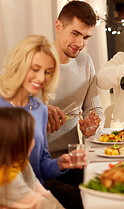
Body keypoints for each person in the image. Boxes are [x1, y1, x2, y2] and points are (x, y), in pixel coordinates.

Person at [0, 35, 84, 208]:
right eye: (35, 69)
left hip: (38, 189)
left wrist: (61, 163)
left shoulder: (40, 109)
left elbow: (41, 165)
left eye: (48, 72)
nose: (41, 78)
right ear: (19, 65)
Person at [47, 0, 105, 158]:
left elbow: (94, 108)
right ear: (58, 26)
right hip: (37, 160)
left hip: (73, 156)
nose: (80, 43)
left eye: (86, 37)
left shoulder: (85, 62)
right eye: (75, 33)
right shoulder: (36, 61)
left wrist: (93, 125)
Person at [0, 107, 64, 209]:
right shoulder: (7, 180)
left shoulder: (21, 161)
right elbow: (42, 205)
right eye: (32, 136)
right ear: (20, 142)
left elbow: (36, 187)